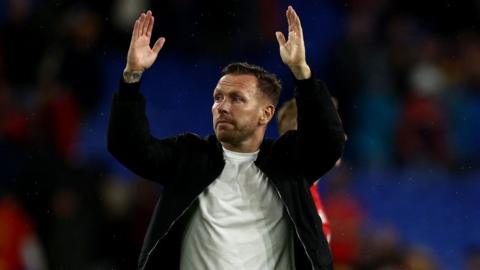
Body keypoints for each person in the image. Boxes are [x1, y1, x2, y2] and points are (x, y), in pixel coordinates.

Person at [107, 6, 345, 270]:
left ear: (265, 114)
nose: (222, 106)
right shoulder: (189, 157)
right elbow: (128, 146)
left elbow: (329, 142)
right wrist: (132, 76)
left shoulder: (288, 163)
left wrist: (302, 73)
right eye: (218, 97)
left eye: (236, 99)